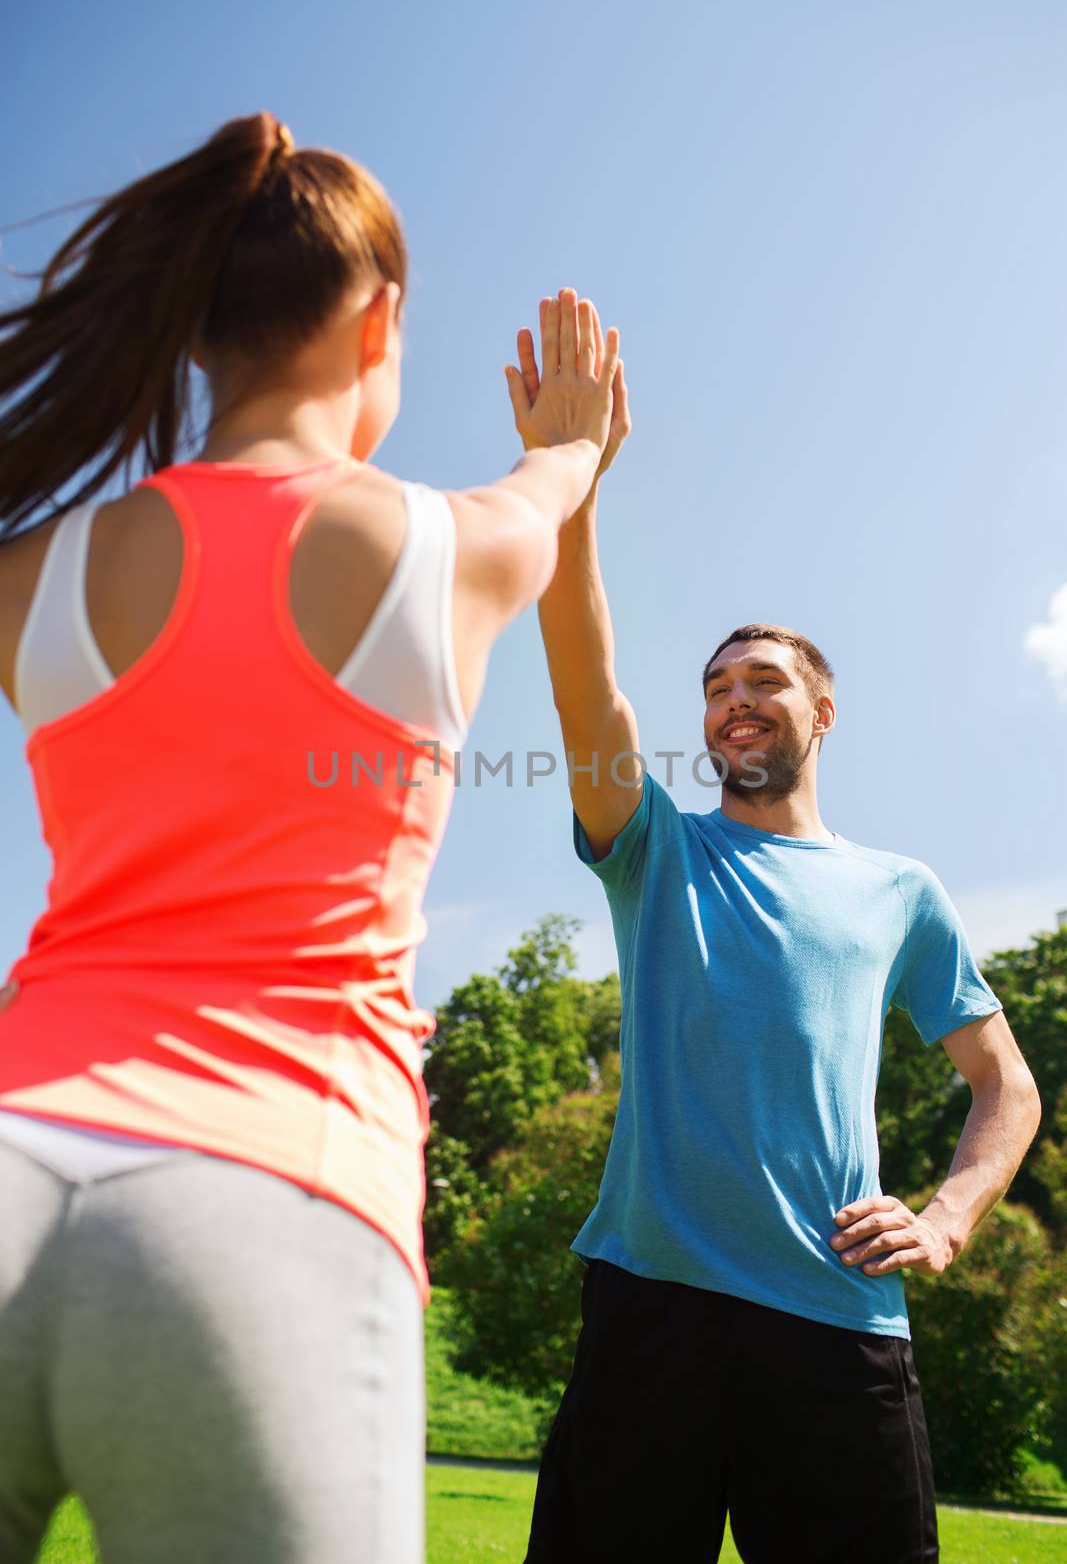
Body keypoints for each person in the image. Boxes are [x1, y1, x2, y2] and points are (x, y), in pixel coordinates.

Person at [0, 110, 621, 1564]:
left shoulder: (35, 572)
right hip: (265, 1197)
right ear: (379, 317)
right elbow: (556, 486)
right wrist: (573, 441)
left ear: (198, 328)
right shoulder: (445, 543)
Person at [511, 312, 1044, 1564]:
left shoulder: (898, 889)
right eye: (712, 686)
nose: (731, 700)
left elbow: (1003, 1083)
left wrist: (951, 1216)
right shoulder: (656, 847)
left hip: (837, 1321)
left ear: (821, 710)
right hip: (650, 1311)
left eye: (759, 679)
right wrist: (571, 488)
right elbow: (586, 686)